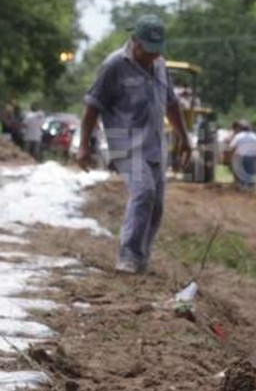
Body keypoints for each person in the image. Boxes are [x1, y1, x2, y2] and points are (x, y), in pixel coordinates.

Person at [79, 15, 191, 274]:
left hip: (154, 144)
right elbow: (92, 107)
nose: (151, 56)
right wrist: (84, 145)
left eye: (156, 51)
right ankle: (128, 256)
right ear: (134, 41)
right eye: (147, 51)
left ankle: (141, 258)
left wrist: (184, 138)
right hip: (125, 143)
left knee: (157, 205)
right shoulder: (114, 65)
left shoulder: (160, 65)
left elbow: (172, 104)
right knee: (144, 193)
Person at [229, 120, 256, 189]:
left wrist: (233, 155)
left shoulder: (238, 136)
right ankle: (250, 187)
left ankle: (243, 186)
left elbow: (231, 146)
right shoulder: (254, 136)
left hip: (241, 156)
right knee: (250, 172)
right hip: (251, 157)